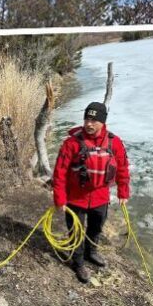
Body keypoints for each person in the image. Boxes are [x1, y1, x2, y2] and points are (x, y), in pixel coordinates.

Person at [52, 102, 130, 283]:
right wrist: (60, 199)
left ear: (103, 122)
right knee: (76, 233)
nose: (89, 123)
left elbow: (123, 168)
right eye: (87, 118)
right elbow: (60, 172)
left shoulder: (114, 142)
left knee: (96, 229)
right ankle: (78, 262)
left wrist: (123, 192)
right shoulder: (71, 143)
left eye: (94, 120)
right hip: (75, 199)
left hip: (101, 198)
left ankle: (91, 252)